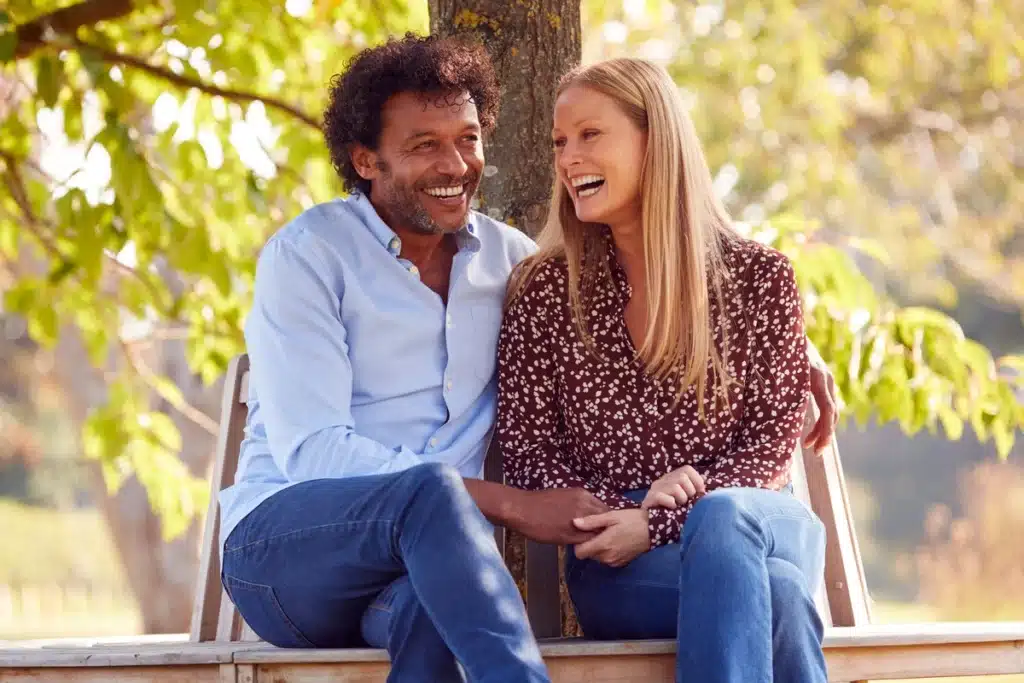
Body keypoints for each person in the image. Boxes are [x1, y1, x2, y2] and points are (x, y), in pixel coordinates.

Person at [220, 33, 838, 683]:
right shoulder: (310, 256)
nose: (455, 163)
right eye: (424, 145)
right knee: (432, 491)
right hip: (291, 547)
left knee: (435, 618)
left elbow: (711, 305)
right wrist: (508, 503)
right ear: (366, 160)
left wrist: (794, 350)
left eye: (466, 138)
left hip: (427, 565)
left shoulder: (506, 263)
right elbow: (315, 451)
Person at [496, 57, 830, 683]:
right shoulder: (546, 292)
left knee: (724, 517)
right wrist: (625, 518)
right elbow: (530, 454)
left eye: (591, 135)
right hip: (622, 562)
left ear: (657, 138)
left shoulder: (759, 279)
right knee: (779, 596)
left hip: (757, 520)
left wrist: (670, 514)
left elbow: (768, 444)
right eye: (560, 143)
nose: (569, 159)